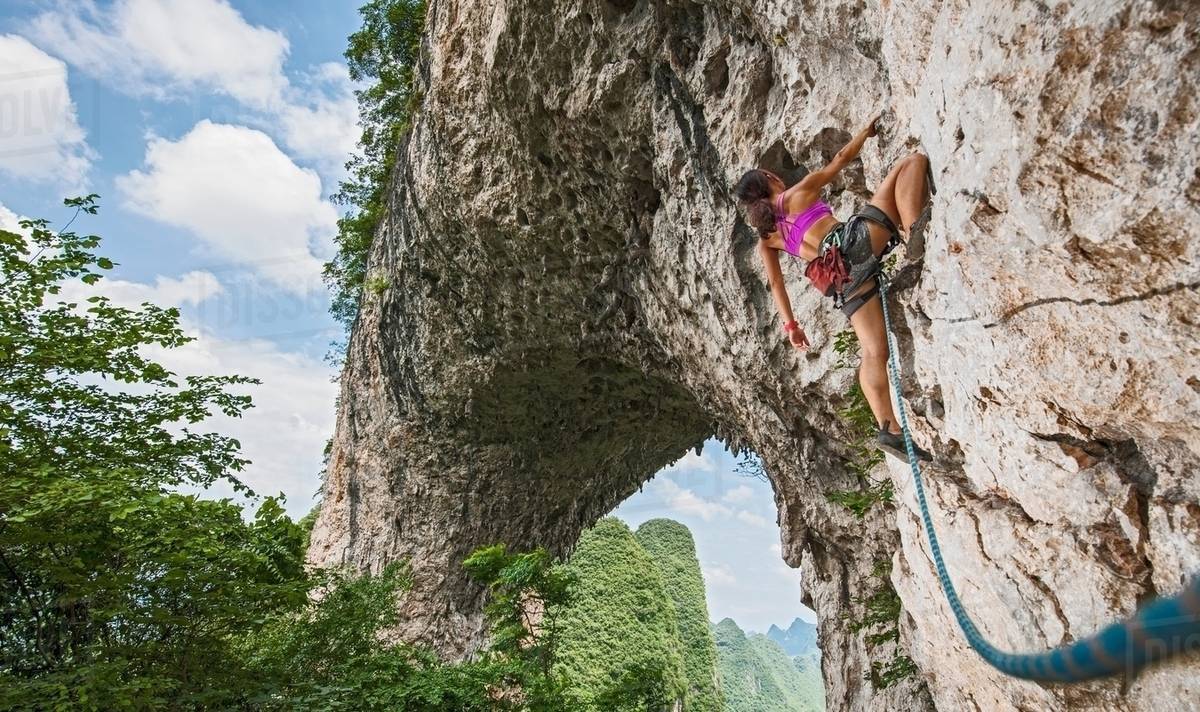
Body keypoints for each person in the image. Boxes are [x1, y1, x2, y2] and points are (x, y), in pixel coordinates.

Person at [734, 115, 934, 461]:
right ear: (769, 178)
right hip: (854, 244)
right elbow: (840, 160)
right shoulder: (798, 193)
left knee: (874, 352)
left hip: (840, 281)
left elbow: (777, 283)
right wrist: (865, 133)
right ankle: (916, 230)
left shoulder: (766, 240)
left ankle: (888, 427)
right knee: (911, 163)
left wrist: (792, 326)